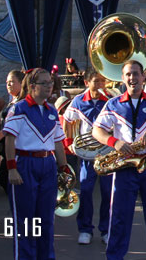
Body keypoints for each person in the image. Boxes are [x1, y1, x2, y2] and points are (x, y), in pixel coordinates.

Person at [92, 59, 146, 260]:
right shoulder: (113, 104)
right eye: (128, 74)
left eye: (136, 74)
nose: (132, 78)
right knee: (120, 215)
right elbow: (97, 130)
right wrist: (114, 142)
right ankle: (115, 255)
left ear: (143, 77)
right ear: (122, 78)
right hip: (125, 165)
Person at [4, 67, 70, 260]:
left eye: (50, 83)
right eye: (44, 83)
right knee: (25, 221)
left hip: (47, 164)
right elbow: (9, 139)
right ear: (32, 86)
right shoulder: (19, 108)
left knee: (46, 219)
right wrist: (11, 169)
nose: (49, 87)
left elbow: (58, 142)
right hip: (25, 163)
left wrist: (63, 168)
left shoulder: (51, 110)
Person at [64, 69, 112, 245]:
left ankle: (106, 229)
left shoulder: (109, 100)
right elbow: (67, 120)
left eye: (102, 81)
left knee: (108, 192)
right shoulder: (78, 101)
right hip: (87, 155)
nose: (100, 85)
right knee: (85, 191)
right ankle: (85, 229)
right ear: (87, 83)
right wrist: (69, 142)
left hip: (107, 154)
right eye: (96, 82)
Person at [0, 69, 25, 195]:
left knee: (5, 175)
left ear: (21, 83)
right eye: (7, 82)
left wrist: (0, 134)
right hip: (3, 146)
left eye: (12, 82)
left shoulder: (21, 104)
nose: (8, 85)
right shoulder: (11, 101)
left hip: (14, 146)